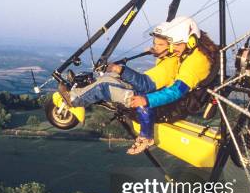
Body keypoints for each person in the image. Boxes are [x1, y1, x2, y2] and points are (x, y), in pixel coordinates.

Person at [59, 16, 217, 155]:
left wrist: (146, 100)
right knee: (111, 77)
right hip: (169, 96)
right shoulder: (187, 52)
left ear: (190, 41)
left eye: (174, 45)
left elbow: (176, 91)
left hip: (174, 105)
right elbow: (156, 78)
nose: (172, 49)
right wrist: (157, 52)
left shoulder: (196, 63)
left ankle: (74, 100)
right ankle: (79, 92)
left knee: (107, 87)